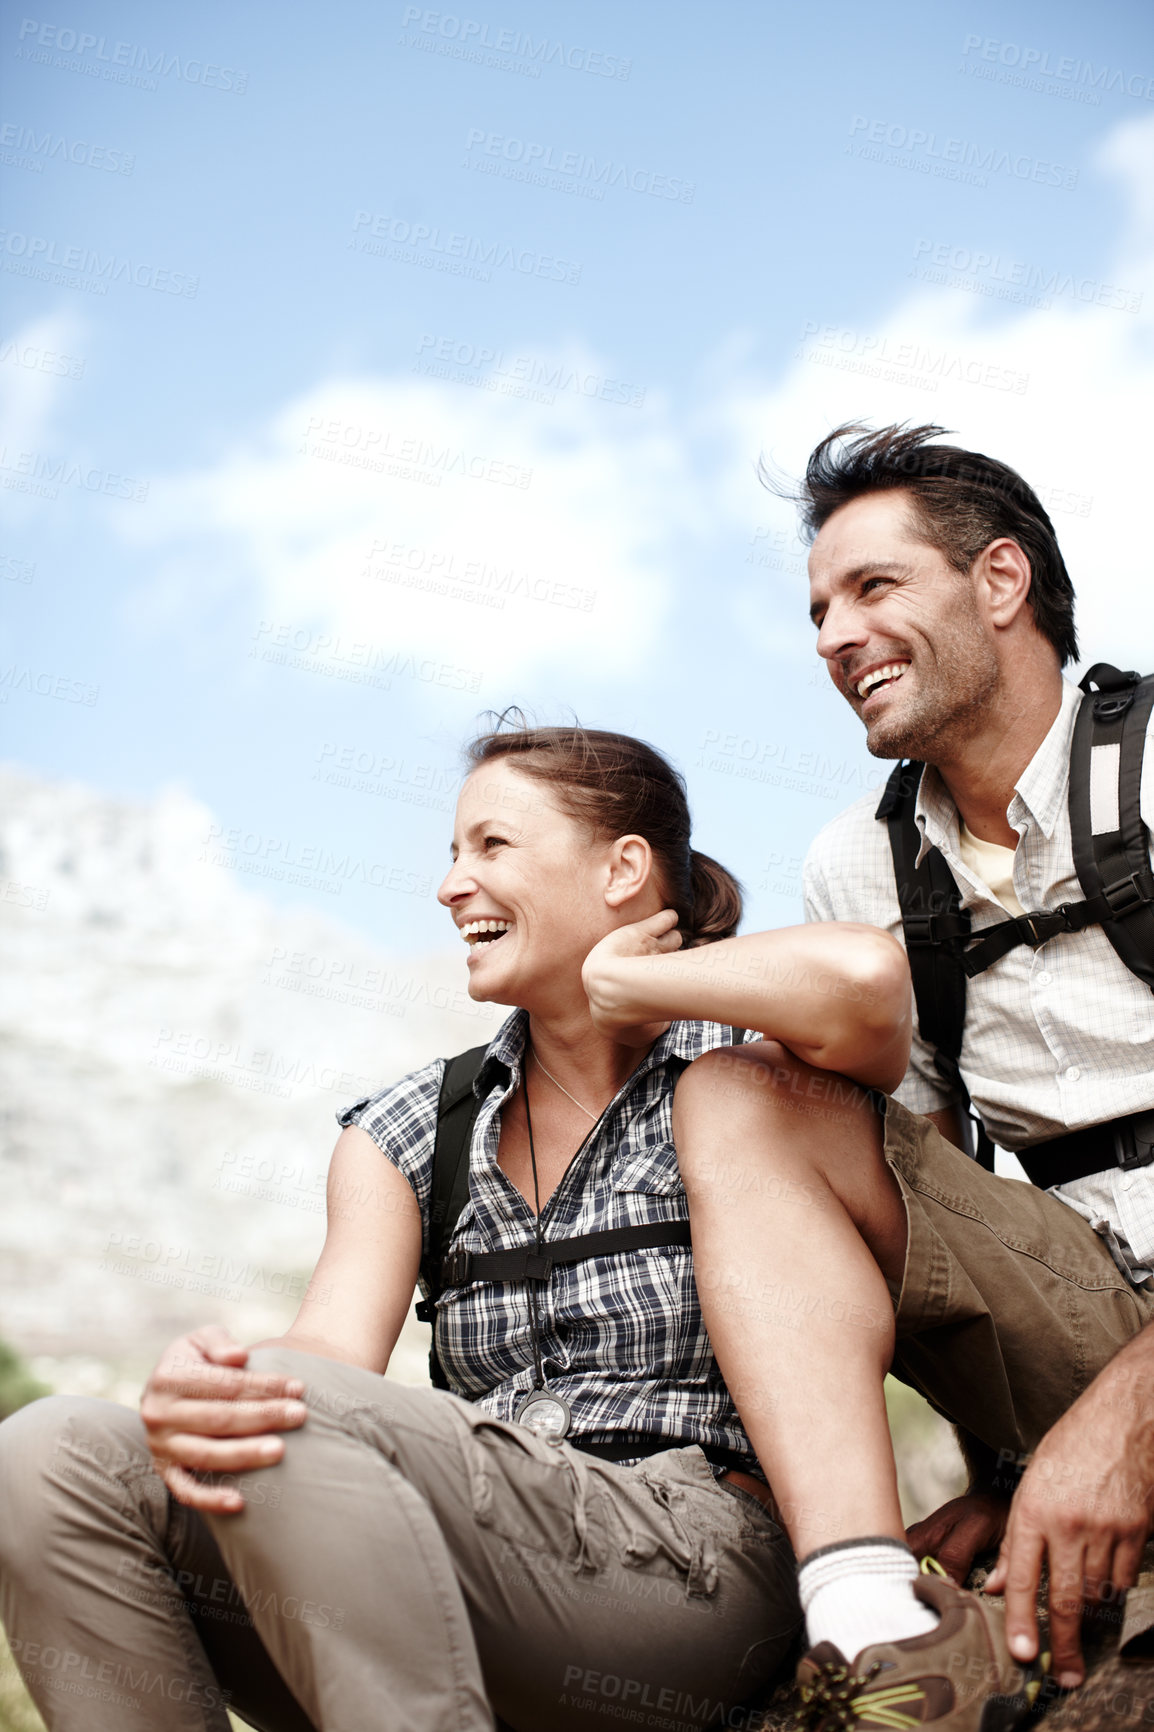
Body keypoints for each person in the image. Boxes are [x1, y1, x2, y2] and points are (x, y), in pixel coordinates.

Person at [0, 721, 912, 1732]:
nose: (449, 885)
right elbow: (324, 1358)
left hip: (693, 1560)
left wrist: (631, 985)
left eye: (491, 846)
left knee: (289, 1407)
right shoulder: (402, 1132)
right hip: (460, 1562)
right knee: (54, 1453)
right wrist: (212, 1387)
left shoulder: (753, 1064)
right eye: (450, 854)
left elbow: (867, 984)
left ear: (621, 869)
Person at [663, 423, 1154, 1728]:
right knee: (736, 1092)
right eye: (817, 607)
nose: (831, 634)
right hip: (1083, 1301)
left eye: (871, 587)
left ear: (998, 584)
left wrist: (1120, 1427)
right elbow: (933, 1211)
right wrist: (1013, 1462)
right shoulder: (860, 873)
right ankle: (861, 1602)